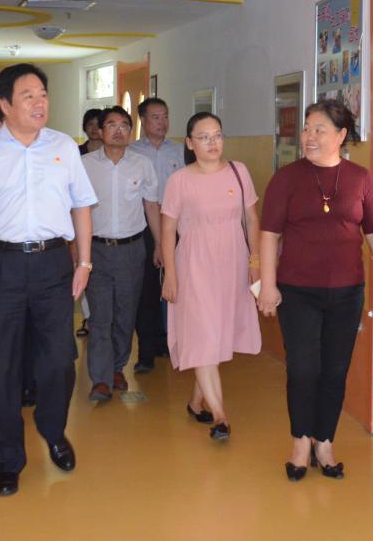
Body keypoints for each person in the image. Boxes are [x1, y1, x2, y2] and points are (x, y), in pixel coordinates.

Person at [0, 63, 97, 497]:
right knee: (1, 367)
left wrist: (84, 263)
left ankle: (53, 430)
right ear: (5, 104)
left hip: (53, 264)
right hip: (1, 266)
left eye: (43, 95)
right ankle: (7, 462)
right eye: (28, 96)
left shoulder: (64, 147)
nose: (39, 103)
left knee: (60, 360)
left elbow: (82, 206)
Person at [257, 99, 373, 482]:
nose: (309, 136)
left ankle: (324, 441)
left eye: (319, 129)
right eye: (307, 128)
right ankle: (300, 443)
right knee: (303, 369)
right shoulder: (286, 179)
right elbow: (269, 234)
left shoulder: (361, 179)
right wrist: (268, 284)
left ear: (341, 135)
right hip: (297, 292)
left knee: (335, 370)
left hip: (347, 292)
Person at [160, 112, 261, 440]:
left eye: (217, 135)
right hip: (194, 264)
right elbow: (168, 228)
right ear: (190, 143)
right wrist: (170, 275)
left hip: (232, 262)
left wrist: (256, 262)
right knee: (203, 334)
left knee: (216, 335)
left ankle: (196, 402)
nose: (212, 142)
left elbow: (252, 219)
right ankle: (220, 417)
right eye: (203, 137)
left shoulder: (239, 171)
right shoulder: (180, 180)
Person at [81, 106, 160, 401]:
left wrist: (160, 244)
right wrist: (77, 251)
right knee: (100, 316)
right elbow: (77, 209)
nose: (118, 130)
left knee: (126, 314)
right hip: (97, 249)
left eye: (124, 125)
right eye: (111, 125)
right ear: (101, 131)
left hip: (132, 250)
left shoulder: (142, 164)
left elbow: (151, 206)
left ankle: (117, 367)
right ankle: (100, 379)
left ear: (131, 130)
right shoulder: (85, 165)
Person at [128, 97, 185, 373]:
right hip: (143, 227)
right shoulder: (132, 153)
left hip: (177, 226)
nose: (162, 122)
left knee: (175, 285)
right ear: (143, 120)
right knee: (148, 290)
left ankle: (169, 343)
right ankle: (146, 352)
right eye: (155, 117)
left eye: (165, 116)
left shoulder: (180, 151)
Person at [75, 108, 104, 337]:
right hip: (82, 220)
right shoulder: (76, 154)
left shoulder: (111, 153)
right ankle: (88, 317)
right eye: (90, 124)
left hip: (103, 221)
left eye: (97, 124)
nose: (94, 129)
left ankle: (101, 319)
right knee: (83, 269)